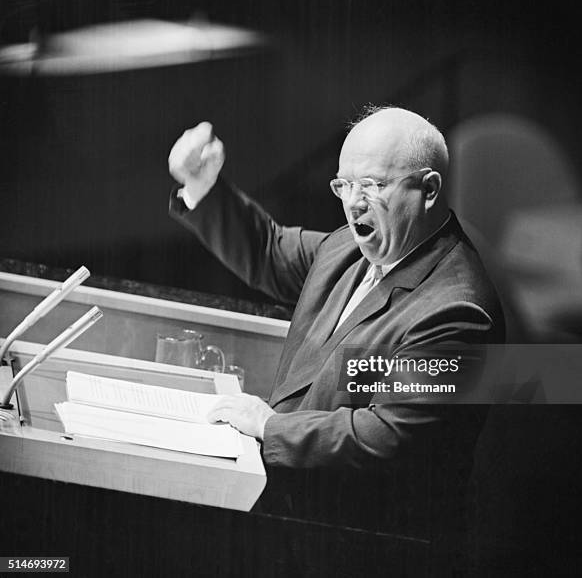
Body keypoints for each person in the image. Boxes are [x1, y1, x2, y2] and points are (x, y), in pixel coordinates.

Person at [168, 106, 504, 464]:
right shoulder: (349, 248)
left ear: (429, 189)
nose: (354, 203)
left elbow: (387, 434)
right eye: (344, 185)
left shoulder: (460, 313)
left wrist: (270, 427)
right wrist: (201, 185)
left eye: (373, 185)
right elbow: (268, 249)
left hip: (349, 516)